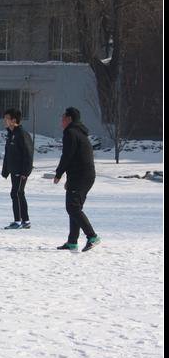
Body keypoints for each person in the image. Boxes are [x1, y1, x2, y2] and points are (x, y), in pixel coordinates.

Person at [53, 107, 101, 252]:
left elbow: (67, 155)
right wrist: (70, 177)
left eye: (62, 118)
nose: (61, 121)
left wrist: (59, 173)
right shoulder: (80, 133)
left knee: (72, 207)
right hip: (83, 175)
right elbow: (76, 157)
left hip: (81, 176)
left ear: (69, 119)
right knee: (74, 208)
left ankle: (92, 236)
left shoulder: (70, 133)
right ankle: (72, 241)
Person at [1, 108, 34, 229]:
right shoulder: (11, 134)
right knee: (19, 193)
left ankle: (18, 221)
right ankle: (25, 221)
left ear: (14, 120)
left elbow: (28, 154)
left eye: (7, 118)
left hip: (21, 171)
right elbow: (8, 153)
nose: (4, 121)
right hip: (14, 170)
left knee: (16, 193)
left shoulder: (21, 134)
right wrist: (5, 170)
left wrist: (26, 171)